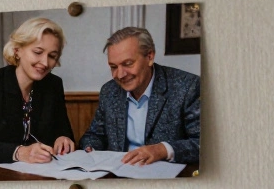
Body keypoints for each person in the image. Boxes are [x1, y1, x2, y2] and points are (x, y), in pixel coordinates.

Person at [0, 17, 76, 172]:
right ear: (17, 50)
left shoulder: (53, 85)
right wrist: (19, 152)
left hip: (37, 172)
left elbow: (63, 131)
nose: (45, 62)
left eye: (52, 56)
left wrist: (62, 139)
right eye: (38, 52)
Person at [78, 26, 201, 166]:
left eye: (128, 64)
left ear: (150, 57)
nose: (120, 75)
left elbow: (203, 144)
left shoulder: (187, 86)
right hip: (119, 173)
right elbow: (94, 135)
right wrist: (90, 148)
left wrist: (162, 150)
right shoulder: (109, 91)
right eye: (113, 67)